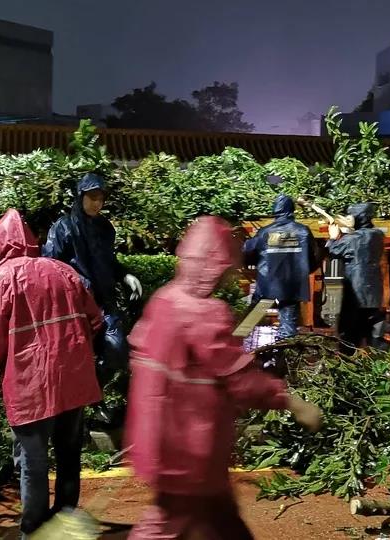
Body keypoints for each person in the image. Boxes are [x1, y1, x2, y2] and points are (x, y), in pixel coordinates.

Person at [126, 216, 323, 540]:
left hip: (164, 443)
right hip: (191, 451)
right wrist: (293, 401)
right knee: (175, 525)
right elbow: (239, 377)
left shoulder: (164, 300)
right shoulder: (203, 312)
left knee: (213, 522)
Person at [0, 209, 103, 538]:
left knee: (33, 463)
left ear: (1, 247)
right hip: (73, 379)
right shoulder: (65, 272)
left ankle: (33, 530)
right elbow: (95, 320)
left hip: (30, 386)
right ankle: (65, 520)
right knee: (68, 453)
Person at [43, 172, 142, 376]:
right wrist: (78, 282)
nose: (98, 203)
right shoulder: (63, 227)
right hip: (76, 306)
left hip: (104, 303)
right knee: (75, 361)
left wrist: (125, 275)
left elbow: (109, 262)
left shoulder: (105, 228)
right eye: (92, 197)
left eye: (101, 198)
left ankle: (95, 395)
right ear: (81, 197)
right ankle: (87, 400)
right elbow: (50, 267)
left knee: (117, 350)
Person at [243, 194, 318, 339]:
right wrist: (302, 273)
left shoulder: (265, 232)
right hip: (292, 286)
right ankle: (284, 356)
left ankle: (242, 348)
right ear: (292, 210)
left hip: (267, 285)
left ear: (275, 210)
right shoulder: (303, 231)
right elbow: (313, 256)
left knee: (250, 322)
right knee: (288, 326)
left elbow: (248, 251)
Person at [326, 202, 385, 350]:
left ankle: (349, 362)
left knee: (350, 334)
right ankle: (378, 365)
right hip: (374, 294)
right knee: (373, 333)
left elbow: (334, 252)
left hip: (355, 294)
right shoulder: (378, 235)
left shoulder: (353, 239)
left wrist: (333, 238)